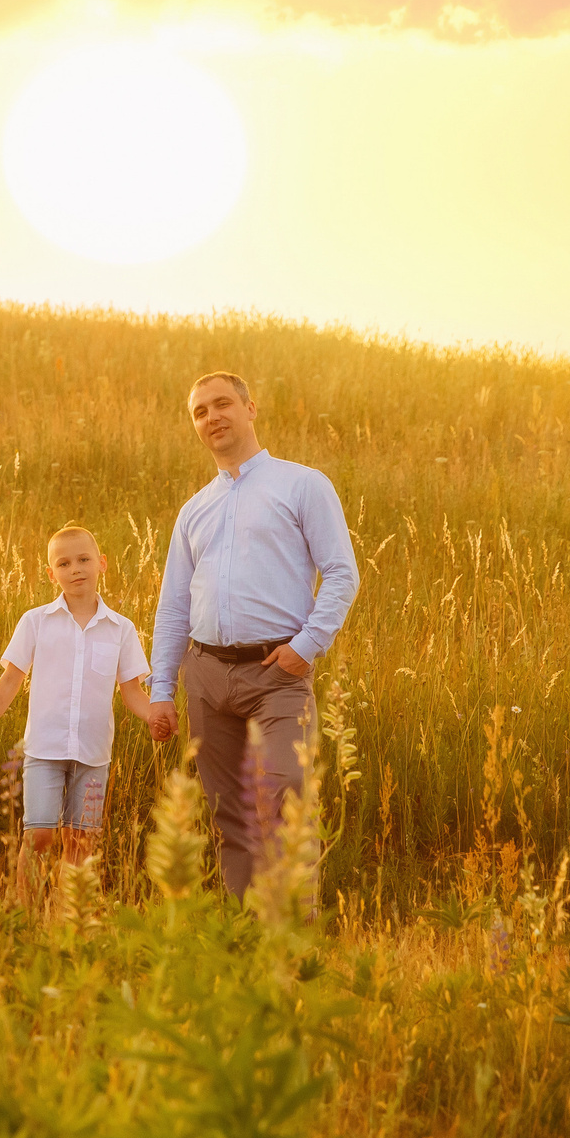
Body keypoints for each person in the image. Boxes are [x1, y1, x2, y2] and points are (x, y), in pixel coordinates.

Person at [146, 371, 358, 895]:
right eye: (200, 411)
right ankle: (244, 938)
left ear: (250, 409)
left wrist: (306, 647)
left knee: (285, 798)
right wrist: (161, 689)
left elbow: (342, 573)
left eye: (222, 404)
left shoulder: (302, 484)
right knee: (227, 816)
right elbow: (173, 605)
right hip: (206, 679)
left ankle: (291, 936)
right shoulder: (193, 510)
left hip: (277, 676)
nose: (212, 417)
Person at [0, 525, 152, 866]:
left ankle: (71, 916)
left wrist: (155, 716)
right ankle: (25, 915)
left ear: (102, 563)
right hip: (44, 749)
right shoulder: (36, 622)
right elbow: (9, 681)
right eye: (64, 563)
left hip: (94, 752)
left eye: (83, 559)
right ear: (51, 573)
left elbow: (132, 692)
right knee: (39, 836)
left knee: (81, 842)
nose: (75, 569)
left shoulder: (121, 629)